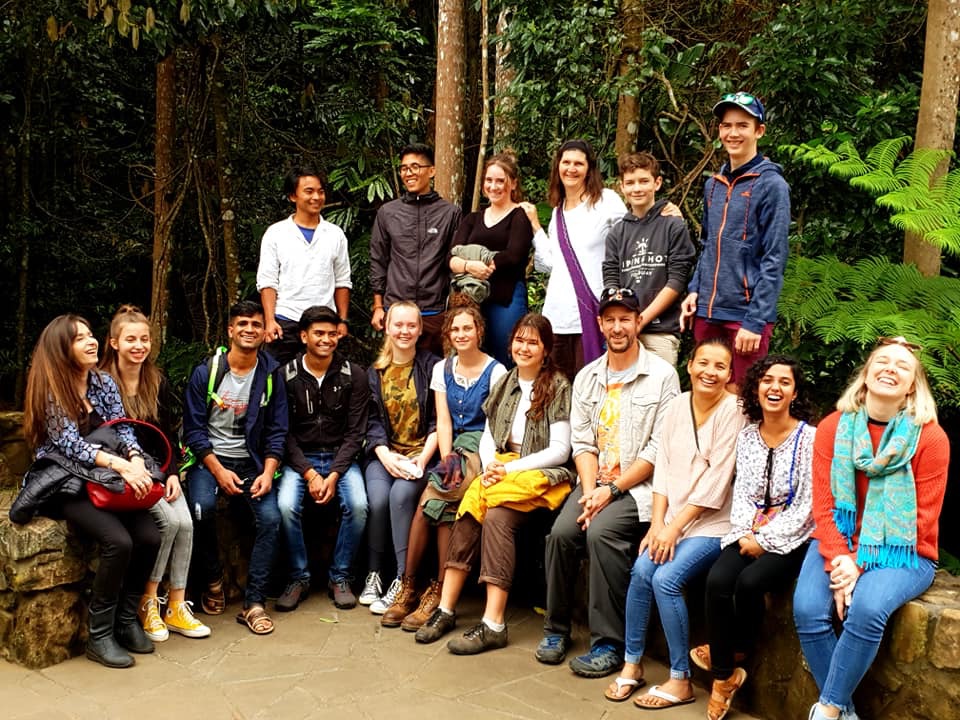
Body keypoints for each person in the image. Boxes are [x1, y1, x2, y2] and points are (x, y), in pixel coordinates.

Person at [793, 337, 948, 720]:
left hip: (904, 550)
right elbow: (824, 506)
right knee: (808, 609)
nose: (890, 369)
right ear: (865, 374)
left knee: (866, 608)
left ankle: (828, 710)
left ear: (912, 385)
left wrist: (858, 565)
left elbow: (922, 521)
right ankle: (845, 712)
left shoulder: (930, 438)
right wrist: (842, 557)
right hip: (839, 541)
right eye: (882, 361)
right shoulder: (833, 427)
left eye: (902, 366)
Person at [535, 287, 680, 677]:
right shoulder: (587, 377)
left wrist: (612, 490)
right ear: (600, 324)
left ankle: (609, 643)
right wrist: (590, 492)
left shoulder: (662, 376)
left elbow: (659, 449)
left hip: (639, 488)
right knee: (561, 534)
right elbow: (582, 443)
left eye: (625, 319)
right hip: (594, 482)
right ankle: (556, 630)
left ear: (638, 322)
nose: (618, 327)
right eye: (610, 320)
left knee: (601, 534)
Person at [414, 313, 572, 652]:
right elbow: (488, 435)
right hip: (502, 466)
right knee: (471, 507)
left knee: (497, 515)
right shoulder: (505, 381)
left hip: (540, 473)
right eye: (519, 340)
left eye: (533, 342)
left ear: (546, 349)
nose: (524, 348)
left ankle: (493, 623)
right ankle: (446, 608)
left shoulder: (558, 385)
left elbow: (560, 450)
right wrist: (490, 467)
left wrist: (508, 470)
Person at [605, 337, 746, 709]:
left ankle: (680, 680)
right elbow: (663, 467)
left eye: (720, 366)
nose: (710, 372)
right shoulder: (677, 405)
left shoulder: (735, 411)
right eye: (704, 363)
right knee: (641, 571)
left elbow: (717, 482)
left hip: (713, 524)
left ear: (729, 374)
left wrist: (673, 528)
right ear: (690, 365)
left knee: (666, 580)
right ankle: (632, 664)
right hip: (671, 521)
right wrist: (657, 524)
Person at [19, 314, 161, 668]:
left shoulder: (103, 382)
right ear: (61, 348)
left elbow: (122, 427)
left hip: (107, 480)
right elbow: (70, 445)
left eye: (89, 334)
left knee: (150, 537)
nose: (91, 341)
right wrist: (120, 466)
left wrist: (135, 458)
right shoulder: (51, 388)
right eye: (79, 338)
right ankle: (100, 635)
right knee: (119, 542)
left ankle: (126, 621)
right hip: (68, 484)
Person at [695, 355, 816, 720]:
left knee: (750, 583)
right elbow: (744, 494)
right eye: (767, 380)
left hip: (793, 535)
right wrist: (749, 534)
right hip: (748, 528)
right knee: (718, 580)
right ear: (757, 388)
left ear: (795, 392)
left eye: (784, 382)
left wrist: (765, 539)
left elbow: (807, 504)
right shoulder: (747, 437)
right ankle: (725, 677)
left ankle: (733, 652)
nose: (774, 388)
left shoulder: (809, 439)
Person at [379, 301, 506, 629]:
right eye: (455, 329)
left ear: (479, 331)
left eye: (468, 328)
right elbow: (444, 421)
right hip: (452, 448)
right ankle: (410, 588)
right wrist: (448, 458)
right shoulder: (442, 369)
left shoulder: (496, 372)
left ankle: (436, 591)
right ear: (447, 334)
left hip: (480, 449)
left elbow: (493, 427)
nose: (461, 334)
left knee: (436, 498)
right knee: (433, 508)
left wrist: (473, 463)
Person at [100, 306, 211, 642]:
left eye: (144, 339)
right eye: (131, 339)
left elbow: (166, 432)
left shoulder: (156, 380)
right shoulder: (102, 383)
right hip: (124, 472)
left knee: (186, 523)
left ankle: (176, 604)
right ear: (114, 342)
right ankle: (148, 601)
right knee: (168, 522)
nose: (139, 346)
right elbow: (103, 436)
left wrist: (173, 473)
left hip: (159, 469)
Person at [182, 300, 288, 635]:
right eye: (242, 323)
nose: (249, 329)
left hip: (252, 461)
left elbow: (277, 431)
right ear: (230, 330)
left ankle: (254, 603)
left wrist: (268, 473)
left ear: (264, 332)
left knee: (271, 519)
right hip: (210, 459)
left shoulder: (271, 375)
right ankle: (214, 580)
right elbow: (194, 430)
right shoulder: (207, 372)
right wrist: (217, 470)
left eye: (256, 324)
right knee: (201, 509)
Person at [680, 91, 791, 390]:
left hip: (745, 316)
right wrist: (694, 290)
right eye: (727, 125)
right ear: (719, 131)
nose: (733, 133)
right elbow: (707, 245)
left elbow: (774, 258)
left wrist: (755, 321)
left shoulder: (772, 185)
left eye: (742, 125)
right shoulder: (712, 185)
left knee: (741, 399)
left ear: (759, 131)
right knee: (705, 392)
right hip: (708, 312)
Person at [275, 305, 370, 612]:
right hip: (300, 460)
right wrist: (309, 473)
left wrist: (333, 474)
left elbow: (356, 433)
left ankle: (340, 577)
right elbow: (283, 433)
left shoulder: (354, 375)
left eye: (332, 333)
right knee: (285, 506)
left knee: (358, 506)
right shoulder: (286, 375)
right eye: (319, 333)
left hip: (341, 458)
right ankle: (298, 577)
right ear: (304, 336)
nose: (326, 339)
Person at [523, 140, 628, 380]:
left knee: (592, 385)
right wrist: (535, 225)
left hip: (592, 312)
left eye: (578, 164)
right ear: (558, 166)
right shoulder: (557, 212)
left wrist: (661, 213)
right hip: (557, 316)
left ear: (589, 168)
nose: (571, 169)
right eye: (566, 162)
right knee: (557, 388)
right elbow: (551, 263)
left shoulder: (606, 201)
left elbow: (631, 238)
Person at [360, 301, 440, 614]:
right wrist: (385, 455)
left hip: (423, 455)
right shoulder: (374, 372)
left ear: (420, 330)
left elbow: (438, 421)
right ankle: (374, 574)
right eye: (398, 325)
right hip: (384, 454)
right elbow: (371, 422)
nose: (404, 331)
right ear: (387, 327)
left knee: (400, 496)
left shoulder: (433, 367)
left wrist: (422, 459)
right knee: (378, 499)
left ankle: (403, 580)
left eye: (411, 325)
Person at [603, 151, 696, 366]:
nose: (637, 188)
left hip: (661, 331)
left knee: (660, 386)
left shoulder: (673, 225)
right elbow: (611, 280)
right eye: (630, 183)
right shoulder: (617, 233)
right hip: (623, 332)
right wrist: (624, 322)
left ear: (657, 183)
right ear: (622, 186)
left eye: (644, 181)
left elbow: (677, 280)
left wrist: (641, 320)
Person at [369, 144, 463, 356]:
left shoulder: (450, 213)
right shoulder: (388, 213)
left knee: (434, 370)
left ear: (431, 171)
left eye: (415, 167)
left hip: (434, 310)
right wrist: (378, 306)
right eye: (404, 168)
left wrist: (454, 309)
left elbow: (453, 262)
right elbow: (378, 260)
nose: (408, 173)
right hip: (396, 309)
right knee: (396, 368)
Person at [257, 164, 352, 365]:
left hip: (324, 323)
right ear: (293, 196)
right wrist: (270, 320)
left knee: (325, 377)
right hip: (285, 321)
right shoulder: (276, 233)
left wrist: (342, 320)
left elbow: (342, 281)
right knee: (278, 377)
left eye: (320, 191)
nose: (316, 197)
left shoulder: (335, 234)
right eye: (309, 191)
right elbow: (267, 281)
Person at [449, 151, 533, 366]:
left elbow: (514, 255)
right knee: (469, 358)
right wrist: (470, 266)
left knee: (507, 357)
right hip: (472, 299)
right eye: (489, 180)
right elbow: (451, 257)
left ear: (513, 184)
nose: (493, 186)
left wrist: (482, 265)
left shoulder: (519, 216)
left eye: (500, 181)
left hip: (506, 299)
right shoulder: (472, 218)